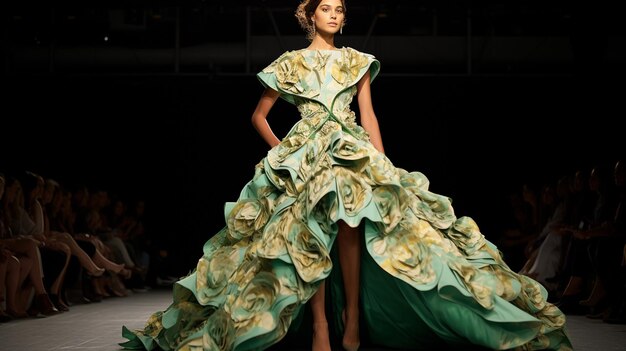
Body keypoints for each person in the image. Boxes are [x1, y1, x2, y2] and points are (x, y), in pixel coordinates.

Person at [121, 1, 573, 350]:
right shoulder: (290, 63)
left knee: (353, 222)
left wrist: (383, 161)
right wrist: (285, 153)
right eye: (326, 8)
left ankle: (353, 319)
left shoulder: (357, 60)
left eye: (340, 10)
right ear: (309, 15)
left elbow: (369, 116)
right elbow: (259, 116)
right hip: (306, 151)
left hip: (352, 148)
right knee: (306, 235)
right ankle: (320, 325)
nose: (335, 15)